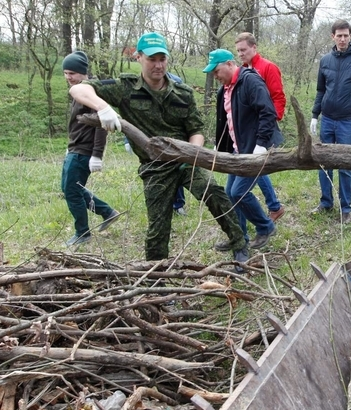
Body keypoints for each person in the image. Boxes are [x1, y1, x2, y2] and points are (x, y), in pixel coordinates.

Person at [68, 32, 249, 270]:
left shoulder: (183, 93)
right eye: (152, 59)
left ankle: (240, 245)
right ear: (139, 58)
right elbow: (79, 89)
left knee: (214, 193)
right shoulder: (125, 88)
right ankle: (156, 271)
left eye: (162, 59)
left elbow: (196, 130)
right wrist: (103, 108)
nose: (158, 65)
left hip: (185, 160)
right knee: (158, 226)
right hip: (154, 168)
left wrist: (193, 153)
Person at [204, 49, 278, 251]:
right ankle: (239, 236)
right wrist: (219, 146)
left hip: (254, 150)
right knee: (230, 193)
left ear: (230, 64)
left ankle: (265, 227)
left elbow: (267, 112)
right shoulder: (225, 90)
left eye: (217, 71)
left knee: (239, 192)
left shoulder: (250, 81)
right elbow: (226, 121)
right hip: (238, 150)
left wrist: (261, 144)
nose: (215, 76)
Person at [310, 19, 351, 223]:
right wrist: (315, 115)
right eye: (339, 36)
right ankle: (326, 202)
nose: (343, 39)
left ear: (350, 36)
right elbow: (320, 90)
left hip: (346, 121)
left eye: (346, 35)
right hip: (327, 119)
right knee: (324, 163)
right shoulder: (325, 60)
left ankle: (346, 208)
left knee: (345, 164)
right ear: (333, 36)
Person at [61, 51, 121, 246]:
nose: (68, 77)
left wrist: (97, 155)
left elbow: (102, 125)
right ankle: (107, 212)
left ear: (83, 72)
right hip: (75, 149)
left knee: (72, 191)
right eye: (66, 73)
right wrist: (70, 147)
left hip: (84, 152)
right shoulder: (79, 92)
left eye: (72, 73)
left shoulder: (91, 93)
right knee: (70, 188)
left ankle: (82, 233)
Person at [234, 31, 286, 222]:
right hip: (248, 130)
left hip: (265, 127)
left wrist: (272, 122)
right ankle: (274, 206)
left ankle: (274, 206)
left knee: (256, 165)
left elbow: (278, 97)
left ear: (254, 47)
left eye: (244, 50)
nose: (241, 54)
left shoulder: (268, 67)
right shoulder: (241, 71)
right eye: (238, 51)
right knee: (256, 166)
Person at [123, 71, 188, 216]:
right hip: (148, 139)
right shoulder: (136, 85)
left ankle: (178, 205)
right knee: (154, 171)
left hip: (171, 137)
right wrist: (128, 139)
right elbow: (131, 115)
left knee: (175, 170)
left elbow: (183, 112)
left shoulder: (176, 82)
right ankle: (160, 205)